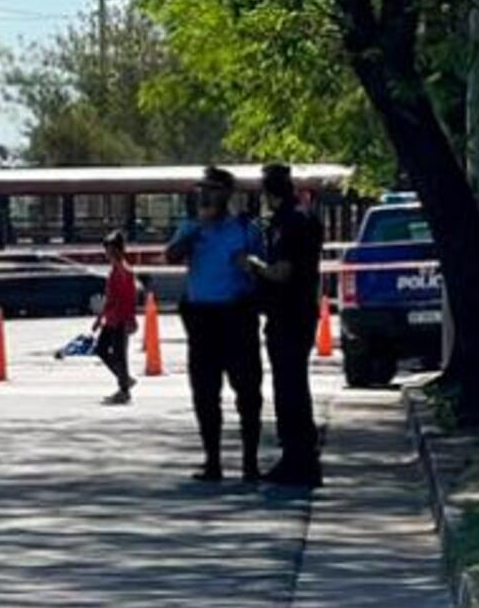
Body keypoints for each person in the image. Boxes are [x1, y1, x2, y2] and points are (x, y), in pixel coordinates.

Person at [164, 167, 265, 482]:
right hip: (203, 317)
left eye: (212, 189)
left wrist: (250, 267)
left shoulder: (246, 228)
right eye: (202, 190)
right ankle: (213, 461)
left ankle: (250, 462)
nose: (206, 195)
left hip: (237, 315)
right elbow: (170, 256)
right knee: (205, 392)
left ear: (227, 193)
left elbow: (265, 269)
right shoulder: (192, 228)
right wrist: (192, 234)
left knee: (248, 390)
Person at [243, 164, 324, 488]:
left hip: (288, 313)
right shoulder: (306, 217)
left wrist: (254, 266)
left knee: (289, 387)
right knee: (294, 384)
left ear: (270, 193)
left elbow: (282, 271)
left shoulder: (288, 224)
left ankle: (299, 459)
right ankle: (300, 456)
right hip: (302, 311)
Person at [95, 231, 140, 405]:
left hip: (121, 319)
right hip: (112, 318)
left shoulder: (124, 270)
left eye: (109, 250)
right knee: (101, 349)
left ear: (117, 250)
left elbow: (130, 298)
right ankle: (125, 379)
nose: (106, 254)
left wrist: (131, 320)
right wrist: (100, 317)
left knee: (120, 355)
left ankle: (124, 390)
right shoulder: (115, 269)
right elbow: (110, 296)